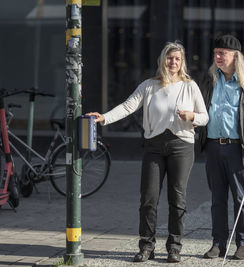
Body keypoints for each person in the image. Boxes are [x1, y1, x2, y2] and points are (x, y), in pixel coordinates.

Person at [87, 41, 209, 263]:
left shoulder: (189, 86)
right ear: (163, 60)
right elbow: (127, 106)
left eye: (177, 59)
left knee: (177, 197)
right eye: (170, 58)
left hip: (181, 145)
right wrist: (104, 118)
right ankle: (146, 246)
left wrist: (191, 117)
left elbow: (205, 117)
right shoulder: (149, 86)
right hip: (154, 146)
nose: (173, 62)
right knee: (148, 198)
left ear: (182, 62)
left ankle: (174, 247)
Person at [198, 35, 244, 260]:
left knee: (241, 197)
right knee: (217, 198)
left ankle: (242, 243)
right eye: (216, 53)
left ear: (235, 56)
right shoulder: (210, 78)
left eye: (223, 53)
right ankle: (218, 243)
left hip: (238, 148)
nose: (218, 57)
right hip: (213, 146)